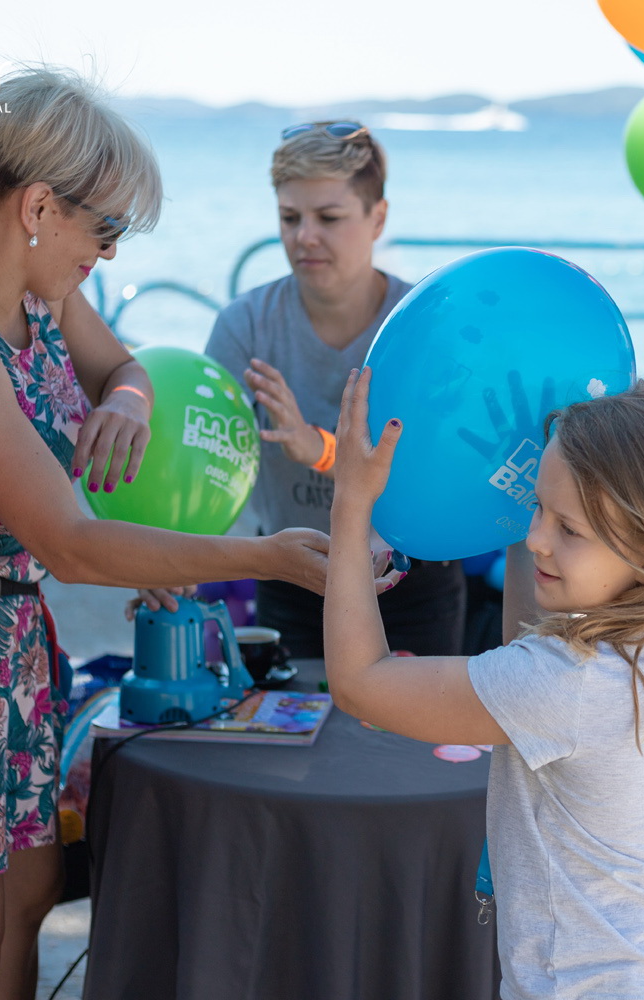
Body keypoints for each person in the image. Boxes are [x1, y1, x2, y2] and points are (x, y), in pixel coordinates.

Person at [0, 69, 389, 1000]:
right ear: (37, 206)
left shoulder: (37, 294)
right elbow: (68, 542)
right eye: (103, 229)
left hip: (5, 655)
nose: (106, 256)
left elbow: (130, 366)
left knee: (28, 907)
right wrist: (265, 558)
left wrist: (132, 401)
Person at [321, 371, 644, 1000]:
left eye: (569, 530)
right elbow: (527, 640)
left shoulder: (570, 684)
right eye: (536, 507)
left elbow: (361, 684)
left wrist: (351, 504)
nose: (535, 539)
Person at [204, 121, 466, 658]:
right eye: (289, 217)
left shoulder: (426, 326)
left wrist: (316, 447)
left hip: (415, 586)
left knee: (409, 743)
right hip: (292, 576)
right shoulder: (245, 326)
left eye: (328, 217)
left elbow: (445, 473)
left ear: (378, 218)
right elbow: (202, 464)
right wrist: (174, 556)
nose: (304, 237)